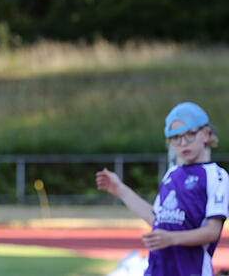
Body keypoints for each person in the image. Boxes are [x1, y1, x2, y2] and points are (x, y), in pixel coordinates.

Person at [96, 101, 229, 276]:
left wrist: (171, 238)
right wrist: (120, 189)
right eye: (175, 137)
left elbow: (212, 232)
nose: (182, 142)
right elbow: (157, 219)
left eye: (189, 134)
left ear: (206, 134)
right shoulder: (171, 174)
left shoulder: (216, 176)